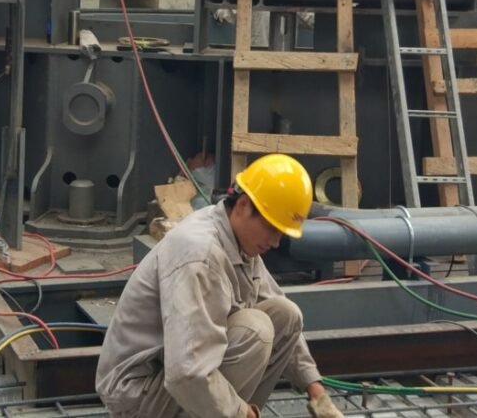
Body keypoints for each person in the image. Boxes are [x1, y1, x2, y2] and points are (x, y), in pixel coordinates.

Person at [95, 154, 345, 418]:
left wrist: (318, 395)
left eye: (281, 233)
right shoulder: (200, 253)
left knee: (285, 315)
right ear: (243, 206)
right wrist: (239, 413)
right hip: (138, 397)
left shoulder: (239, 241)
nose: (275, 242)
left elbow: (284, 320)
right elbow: (186, 372)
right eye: (272, 228)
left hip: (170, 376)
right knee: (255, 331)